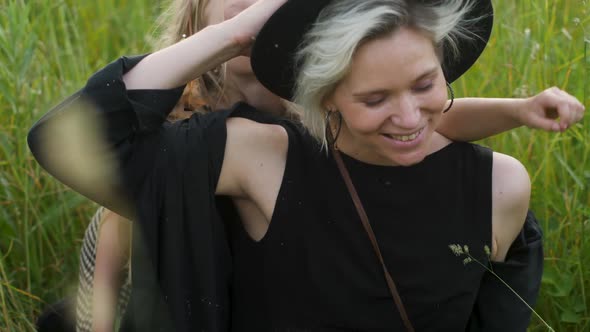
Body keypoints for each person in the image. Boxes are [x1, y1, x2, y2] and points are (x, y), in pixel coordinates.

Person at [29, 0, 585, 331]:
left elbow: (424, 119)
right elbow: (99, 184)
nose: (407, 114)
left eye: (424, 84)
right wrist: (234, 34)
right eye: (374, 100)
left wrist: (517, 110)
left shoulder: (492, 181)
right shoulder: (220, 138)